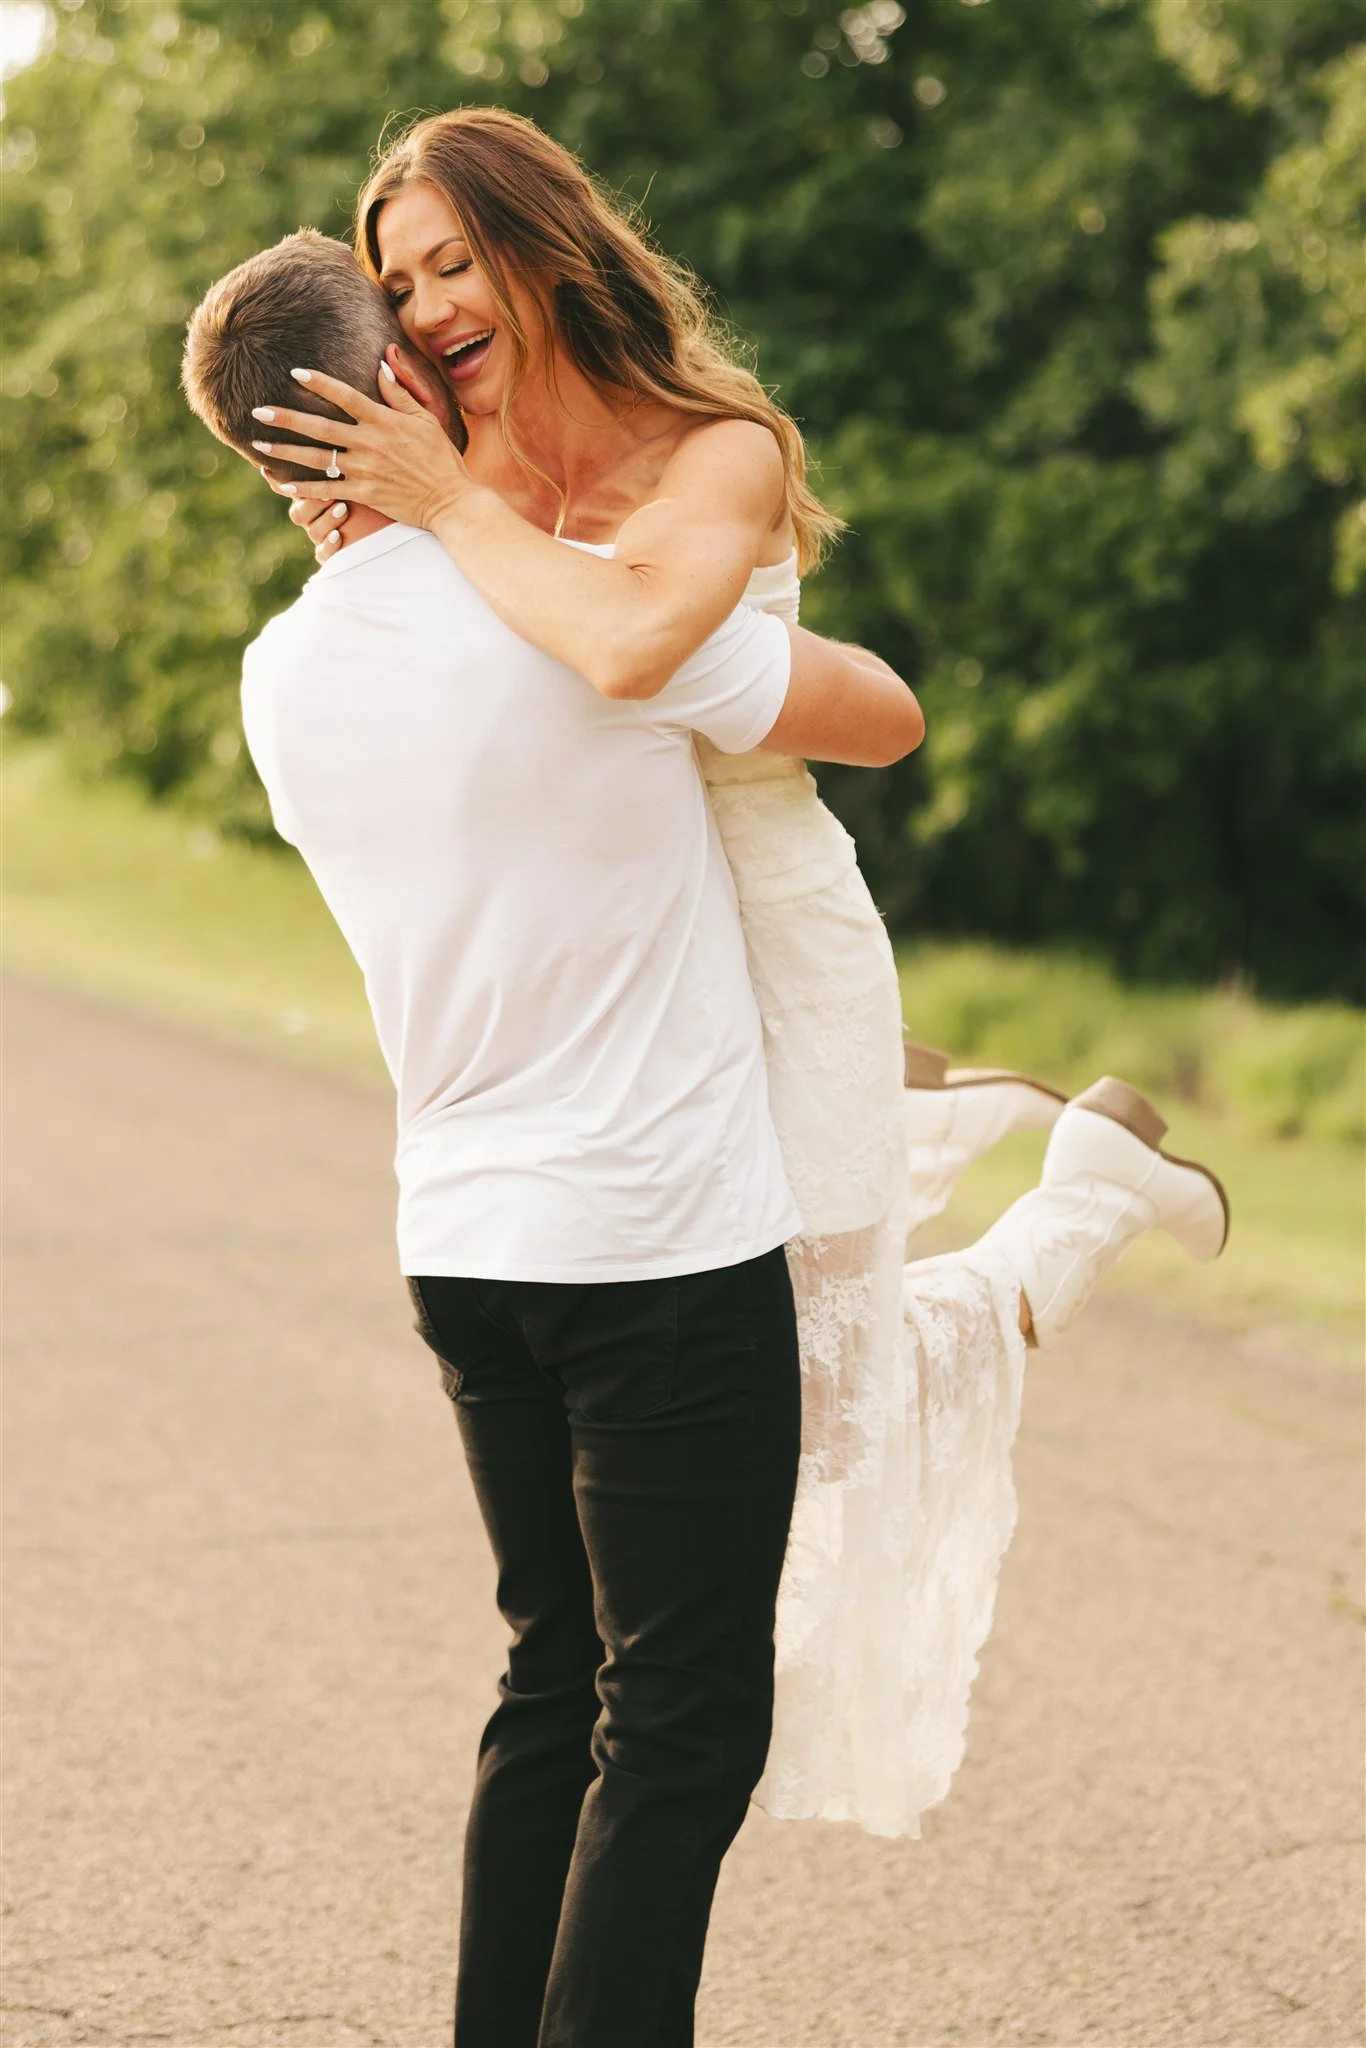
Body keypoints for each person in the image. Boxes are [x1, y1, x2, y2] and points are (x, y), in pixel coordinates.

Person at [249, 110, 1230, 1840]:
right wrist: (423, 542)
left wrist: (457, 528)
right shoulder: (459, 494)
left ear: (542, 249)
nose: (426, 309)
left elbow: (652, 653)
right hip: (642, 970)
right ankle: (1012, 1163)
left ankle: (1054, 1191)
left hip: (764, 942)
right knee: (772, 1460)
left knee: (831, 1432)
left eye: (453, 262)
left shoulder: (700, 456)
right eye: (397, 287)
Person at [181, 227, 926, 2048]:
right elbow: (883, 717)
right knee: (678, 1728)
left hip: (464, 1242)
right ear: (404, 397)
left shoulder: (281, 682)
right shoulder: (581, 624)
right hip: (657, 1245)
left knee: (552, 1686)